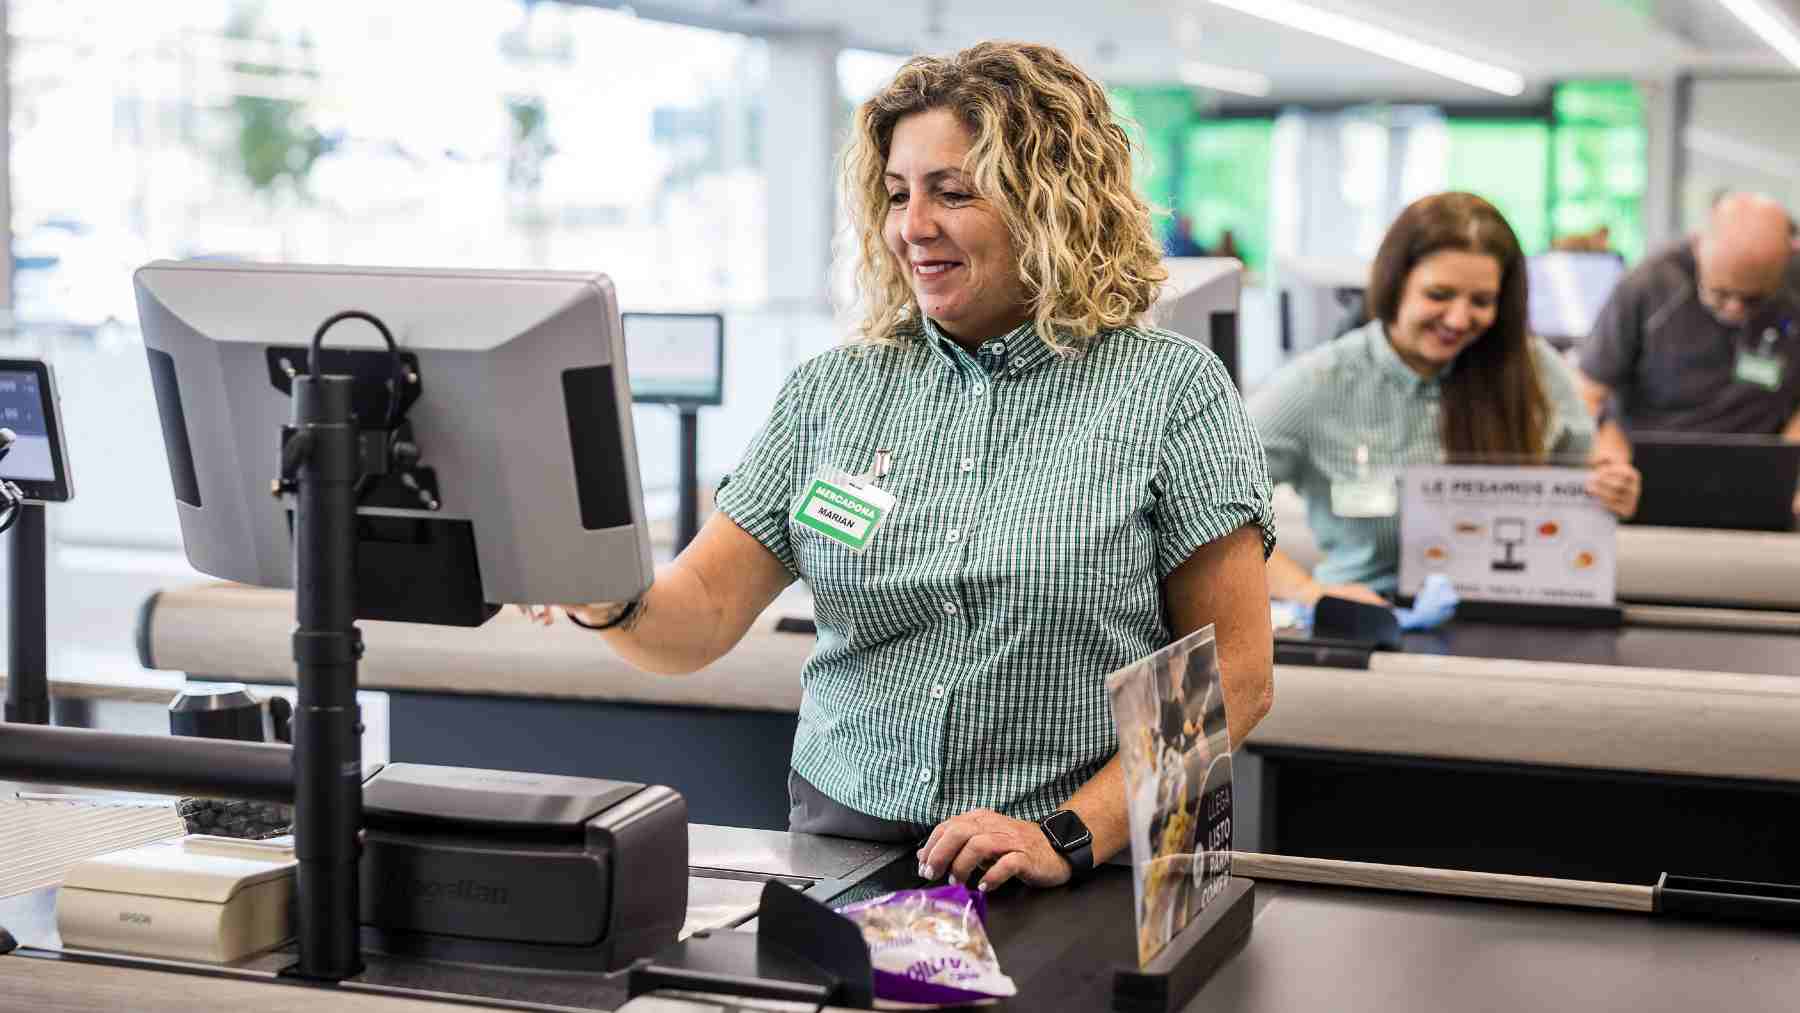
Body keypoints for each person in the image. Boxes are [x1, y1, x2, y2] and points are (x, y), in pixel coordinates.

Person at [522, 42, 1276, 892]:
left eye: (952, 192)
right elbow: (697, 614)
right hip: (846, 844)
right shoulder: (832, 393)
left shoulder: (1170, 390)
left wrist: (1064, 836)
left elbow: (1233, 675)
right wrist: (608, 596)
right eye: (897, 194)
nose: (913, 226)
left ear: (1054, 203)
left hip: (1075, 854)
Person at [1251, 192, 1641, 606]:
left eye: (1481, 302)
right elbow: (1212, 515)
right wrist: (1306, 592)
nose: (1458, 320)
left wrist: (1612, 490)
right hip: (1373, 622)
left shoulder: (1535, 370)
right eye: (1438, 295)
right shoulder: (1319, 383)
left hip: (1516, 616)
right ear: (1395, 282)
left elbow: (1582, 484)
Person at [1576, 192, 1800, 464]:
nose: (1734, 308)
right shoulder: (1649, 285)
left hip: (1761, 468)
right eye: (1720, 293)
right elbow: (1588, 392)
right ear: (1698, 248)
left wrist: (1792, 461)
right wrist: (1610, 452)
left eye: (1754, 299)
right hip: (1651, 464)